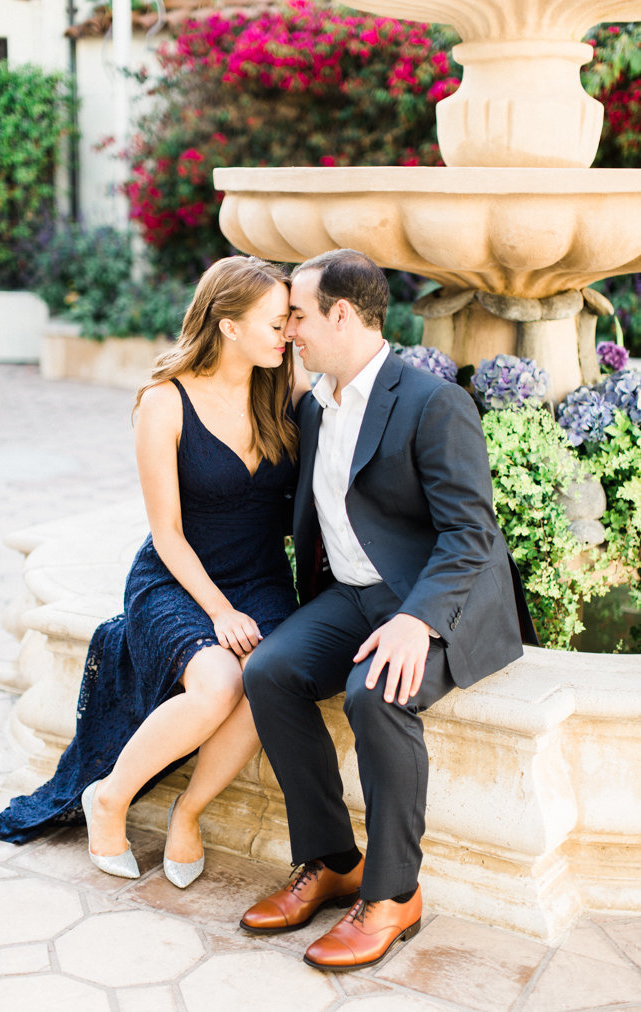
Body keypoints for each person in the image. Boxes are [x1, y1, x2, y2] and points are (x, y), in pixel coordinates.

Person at [240, 249, 538, 971]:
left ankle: (393, 893)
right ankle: (332, 859)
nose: (288, 334)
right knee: (270, 673)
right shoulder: (313, 406)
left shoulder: (432, 402)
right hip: (351, 596)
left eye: (298, 317)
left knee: (376, 695)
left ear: (341, 315)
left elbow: (471, 534)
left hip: (439, 602)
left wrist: (415, 619)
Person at [0, 255, 308, 888]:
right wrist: (219, 611)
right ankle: (108, 798)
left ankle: (189, 814)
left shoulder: (284, 390)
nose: (287, 334)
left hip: (262, 579)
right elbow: (168, 533)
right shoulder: (165, 402)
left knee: (265, 679)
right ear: (228, 325)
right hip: (176, 578)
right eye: (275, 322)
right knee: (216, 682)